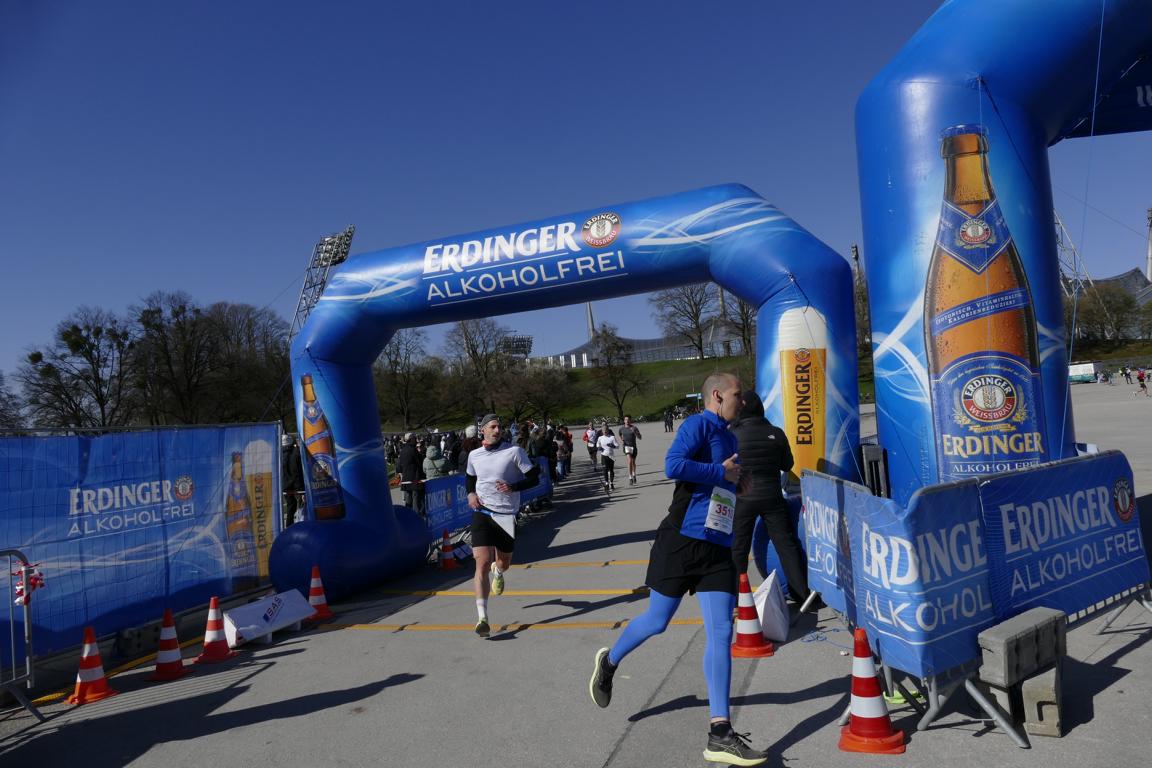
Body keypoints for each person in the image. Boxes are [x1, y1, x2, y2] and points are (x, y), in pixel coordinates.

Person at [588, 373, 770, 766]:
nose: (743, 400)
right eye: (737, 394)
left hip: (717, 545)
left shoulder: (731, 437)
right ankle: (610, 661)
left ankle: (720, 732)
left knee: (721, 632)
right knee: (657, 621)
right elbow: (673, 466)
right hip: (682, 541)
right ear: (717, 395)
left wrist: (738, 484)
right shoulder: (697, 425)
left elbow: (723, 482)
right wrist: (720, 474)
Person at [729, 389, 812, 606]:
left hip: (743, 498)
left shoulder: (733, 434)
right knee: (786, 545)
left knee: (738, 548)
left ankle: (735, 598)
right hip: (772, 497)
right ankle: (802, 595)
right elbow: (787, 464)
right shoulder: (775, 432)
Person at [466, 414, 540, 638]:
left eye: (499, 427)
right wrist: (470, 494)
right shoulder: (474, 455)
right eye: (493, 427)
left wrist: (513, 487)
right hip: (482, 513)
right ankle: (482, 618)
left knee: (503, 562)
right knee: (481, 562)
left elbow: (534, 478)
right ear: (483, 430)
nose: (497, 430)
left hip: (506, 515)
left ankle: (498, 572)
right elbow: (470, 478)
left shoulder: (514, 451)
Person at [280, 432, 304, 527]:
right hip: (298, 485)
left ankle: (289, 526)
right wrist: (300, 488)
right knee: (302, 505)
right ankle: (302, 524)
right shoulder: (296, 452)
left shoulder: (279, 456)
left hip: (285, 486)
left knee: (291, 505)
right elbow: (297, 471)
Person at [618, 415, 643, 485]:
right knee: (629, 461)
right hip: (626, 446)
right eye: (626, 420)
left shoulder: (634, 428)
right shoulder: (621, 429)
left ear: (630, 420)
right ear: (624, 421)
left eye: (628, 420)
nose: (627, 421)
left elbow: (640, 437)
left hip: (633, 447)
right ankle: (630, 477)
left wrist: (636, 433)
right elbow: (620, 434)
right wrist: (622, 440)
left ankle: (634, 474)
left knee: (633, 462)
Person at [597, 426, 619, 491]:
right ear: (602, 431)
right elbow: (597, 444)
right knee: (605, 470)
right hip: (604, 456)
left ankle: (611, 483)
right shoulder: (600, 438)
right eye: (604, 430)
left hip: (611, 456)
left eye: (606, 430)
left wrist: (613, 446)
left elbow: (617, 446)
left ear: (608, 430)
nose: (605, 431)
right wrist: (599, 448)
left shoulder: (612, 437)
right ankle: (606, 484)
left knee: (611, 470)